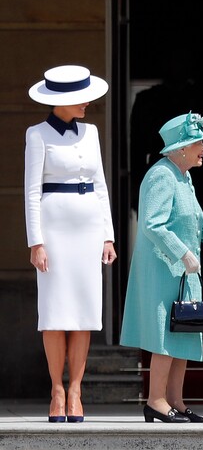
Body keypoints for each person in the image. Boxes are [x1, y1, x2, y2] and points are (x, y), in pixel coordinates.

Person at [120, 112, 203, 423]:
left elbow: (190, 222)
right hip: (164, 269)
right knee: (165, 335)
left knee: (184, 333)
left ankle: (175, 400)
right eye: (199, 142)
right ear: (181, 147)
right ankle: (156, 401)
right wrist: (182, 253)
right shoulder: (161, 174)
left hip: (183, 272)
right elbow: (152, 224)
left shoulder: (184, 177)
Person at [24, 64, 117, 423]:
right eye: (81, 99)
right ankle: (56, 390)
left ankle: (76, 390)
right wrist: (37, 242)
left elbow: (101, 184)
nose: (88, 104)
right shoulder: (37, 134)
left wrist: (108, 235)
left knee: (83, 313)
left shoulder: (91, 132)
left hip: (88, 227)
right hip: (54, 227)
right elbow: (32, 191)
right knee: (53, 314)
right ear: (61, 102)